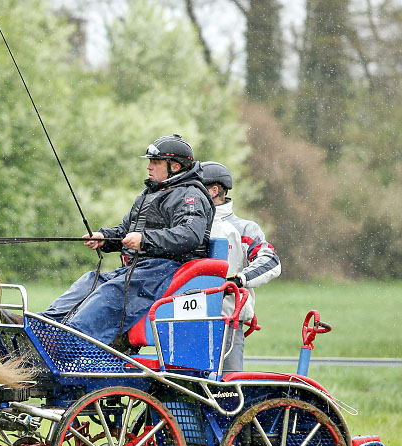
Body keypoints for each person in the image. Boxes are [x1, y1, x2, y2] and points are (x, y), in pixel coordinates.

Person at [42, 134, 214, 345]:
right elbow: (126, 230)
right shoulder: (150, 193)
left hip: (167, 269)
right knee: (91, 281)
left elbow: (190, 235)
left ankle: (68, 341)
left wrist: (145, 240)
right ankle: (44, 325)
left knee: (111, 291)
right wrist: (104, 238)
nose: (149, 167)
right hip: (141, 269)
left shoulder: (190, 195)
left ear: (175, 166)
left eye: (155, 162)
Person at [200, 161, 281, 371]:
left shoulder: (244, 229)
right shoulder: (185, 228)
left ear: (213, 191)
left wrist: (238, 280)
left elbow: (270, 261)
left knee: (227, 386)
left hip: (227, 321)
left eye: (195, 188)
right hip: (184, 320)